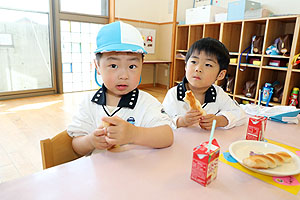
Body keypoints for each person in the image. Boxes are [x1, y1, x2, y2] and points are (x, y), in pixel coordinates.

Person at [67, 21, 173, 155]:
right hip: (98, 174)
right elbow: (76, 145)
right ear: (97, 66)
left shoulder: (146, 103)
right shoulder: (89, 103)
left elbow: (167, 136)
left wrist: (134, 134)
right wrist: (90, 141)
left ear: (142, 65)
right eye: (113, 66)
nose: (123, 76)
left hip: (135, 172)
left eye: (132, 66)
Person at [163, 37, 246, 130]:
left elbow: (241, 115)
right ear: (186, 65)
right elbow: (161, 122)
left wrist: (219, 120)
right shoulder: (174, 94)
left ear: (221, 75)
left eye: (208, 65)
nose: (198, 68)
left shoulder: (218, 93)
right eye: (194, 62)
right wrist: (181, 121)